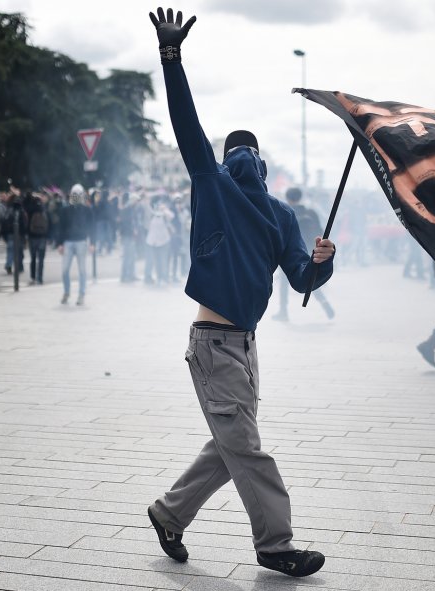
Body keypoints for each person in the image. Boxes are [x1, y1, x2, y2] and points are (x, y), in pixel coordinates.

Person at [145, 7, 334, 578]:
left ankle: (169, 512)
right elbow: (185, 123)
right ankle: (275, 545)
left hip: (243, 347)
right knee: (247, 450)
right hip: (214, 342)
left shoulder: (277, 214)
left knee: (232, 447)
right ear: (231, 161)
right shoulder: (215, 187)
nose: (244, 158)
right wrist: (171, 58)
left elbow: (301, 279)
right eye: (238, 152)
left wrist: (323, 263)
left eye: (248, 151)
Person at [272, 187, 335, 321]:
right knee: (311, 279)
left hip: (290, 253)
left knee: (285, 283)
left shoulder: (285, 212)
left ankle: (283, 312)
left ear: (288, 197)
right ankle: (325, 304)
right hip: (312, 251)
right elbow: (320, 231)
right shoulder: (311, 212)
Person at [57, 183, 93, 305]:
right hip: (68, 241)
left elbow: (91, 227)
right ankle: (66, 292)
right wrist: (60, 243)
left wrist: (92, 242)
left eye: (78, 194)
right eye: (74, 194)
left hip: (81, 241)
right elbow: (61, 227)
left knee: (82, 270)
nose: (76, 196)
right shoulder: (65, 210)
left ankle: (81, 294)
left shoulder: (87, 210)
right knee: (65, 270)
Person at [26, 194, 49, 285]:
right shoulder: (44, 209)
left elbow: (27, 224)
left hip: (32, 237)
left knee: (33, 258)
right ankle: (40, 278)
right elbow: (49, 222)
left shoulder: (30, 210)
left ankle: (33, 277)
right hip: (42, 237)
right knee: (41, 259)